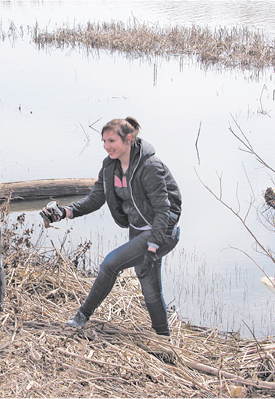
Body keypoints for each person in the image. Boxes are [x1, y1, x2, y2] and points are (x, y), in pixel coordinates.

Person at [40, 117, 181, 336]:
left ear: (128, 139)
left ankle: (82, 316)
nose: (107, 146)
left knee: (110, 264)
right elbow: (95, 199)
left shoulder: (150, 166)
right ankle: (164, 339)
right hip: (138, 231)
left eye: (112, 140)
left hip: (160, 232)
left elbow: (164, 209)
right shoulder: (109, 166)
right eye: (104, 141)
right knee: (150, 290)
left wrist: (154, 243)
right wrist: (65, 212)